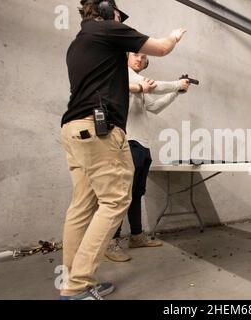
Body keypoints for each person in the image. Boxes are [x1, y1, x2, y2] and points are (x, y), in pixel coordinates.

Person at [60, 0, 186, 300]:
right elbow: (163, 47)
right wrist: (174, 36)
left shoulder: (78, 44)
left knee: (81, 207)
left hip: (74, 129)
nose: (121, 19)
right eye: (118, 14)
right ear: (106, 11)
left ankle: (73, 280)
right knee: (116, 201)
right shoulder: (108, 30)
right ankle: (77, 287)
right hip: (100, 130)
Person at [105, 52, 191, 262]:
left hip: (142, 144)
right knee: (123, 194)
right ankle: (111, 242)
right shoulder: (123, 74)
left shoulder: (138, 85)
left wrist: (177, 92)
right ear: (125, 57)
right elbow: (157, 86)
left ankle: (136, 236)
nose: (139, 59)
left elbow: (154, 107)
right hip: (128, 142)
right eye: (135, 54)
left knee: (136, 194)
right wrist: (177, 83)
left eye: (143, 57)